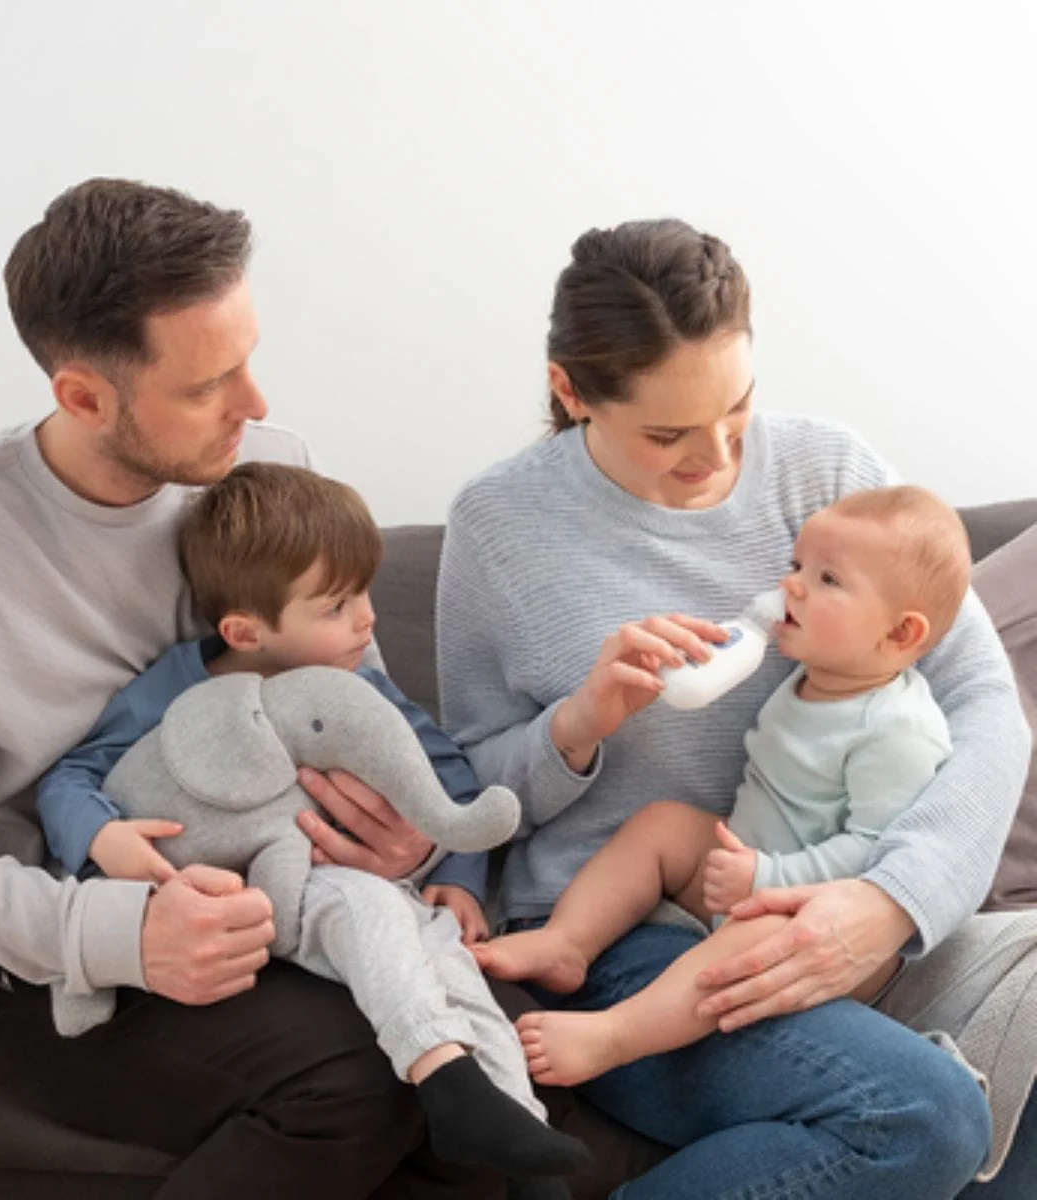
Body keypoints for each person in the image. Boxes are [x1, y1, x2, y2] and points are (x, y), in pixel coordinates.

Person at [0, 177, 546, 1200]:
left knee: (488, 1102)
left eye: (249, 358)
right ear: (84, 397)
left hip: (293, 900)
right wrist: (118, 936)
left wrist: (413, 843)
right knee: (361, 1087)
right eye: (210, 382)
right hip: (50, 956)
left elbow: (359, 710)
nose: (255, 404)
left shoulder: (270, 468)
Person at [435, 218, 1034, 1198]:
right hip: (621, 933)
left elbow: (985, 702)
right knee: (923, 1118)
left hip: (820, 893)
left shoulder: (829, 474)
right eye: (667, 434)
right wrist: (579, 723)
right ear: (571, 392)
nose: (715, 456)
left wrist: (892, 902)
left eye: (737, 407)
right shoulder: (500, 523)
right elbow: (465, 791)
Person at [36, 461, 588, 1195]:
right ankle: (450, 1083)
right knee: (366, 926)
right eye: (336, 605)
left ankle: (519, 1140)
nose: (367, 620)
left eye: (365, 592)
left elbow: (443, 777)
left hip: (350, 899)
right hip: (246, 911)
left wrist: (457, 877)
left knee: (450, 967)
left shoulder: (363, 686)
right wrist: (105, 839)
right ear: (245, 631)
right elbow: (69, 778)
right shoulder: (173, 690)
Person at [473, 485, 972, 1086]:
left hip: (820, 923)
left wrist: (768, 878)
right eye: (796, 566)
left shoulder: (897, 727)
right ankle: (566, 942)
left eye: (828, 579)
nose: (791, 586)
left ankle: (615, 1035)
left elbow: (875, 851)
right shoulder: (816, 676)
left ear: (900, 634)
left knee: (755, 937)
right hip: (745, 868)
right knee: (662, 825)